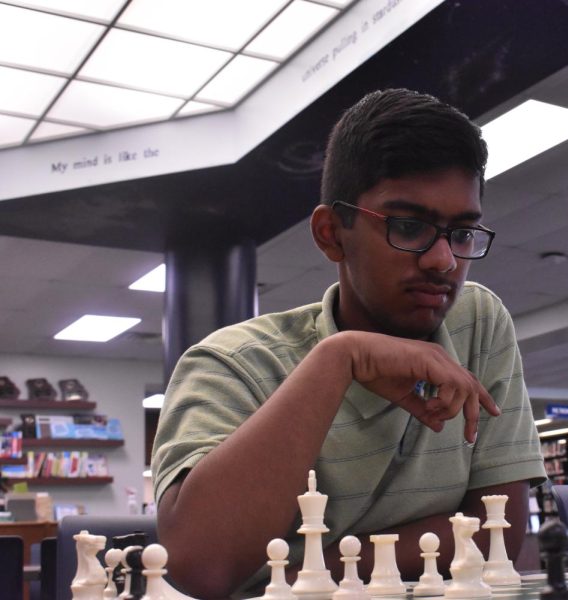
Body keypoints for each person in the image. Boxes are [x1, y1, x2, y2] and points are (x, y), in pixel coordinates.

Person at [152, 88, 546, 598]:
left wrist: (299, 577)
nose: (444, 261)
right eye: (409, 226)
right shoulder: (230, 365)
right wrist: (340, 359)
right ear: (332, 233)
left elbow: (498, 532)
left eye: (462, 233)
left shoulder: (478, 320)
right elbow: (202, 568)